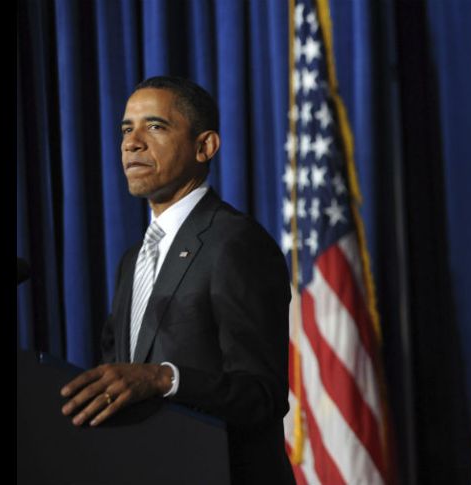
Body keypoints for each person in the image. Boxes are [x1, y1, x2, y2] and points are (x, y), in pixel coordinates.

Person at [59, 76, 295, 485]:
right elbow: (117, 375)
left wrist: (162, 378)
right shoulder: (134, 259)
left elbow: (262, 396)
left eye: (154, 127)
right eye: (125, 129)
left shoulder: (235, 243)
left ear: (205, 147)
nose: (131, 143)